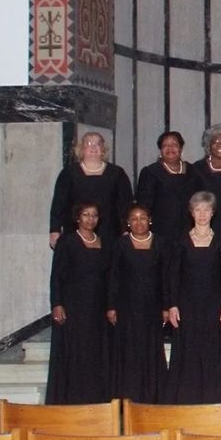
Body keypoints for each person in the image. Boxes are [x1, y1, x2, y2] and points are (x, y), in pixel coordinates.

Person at [165, 191, 221, 404]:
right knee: (187, 351)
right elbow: (172, 275)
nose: (202, 214)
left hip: (213, 305)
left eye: (206, 210)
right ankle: (187, 398)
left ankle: (213, 398)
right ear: (191, 213)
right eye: (198, 210)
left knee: (212, 351)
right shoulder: (180, 241)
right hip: (186, 305)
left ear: (212, 213)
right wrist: (173, 305)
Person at [46, 202, 111, 404]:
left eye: (94, 215)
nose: (90, 219)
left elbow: (109, 277)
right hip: (73, 307)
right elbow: (57, 275)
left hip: (98, 308)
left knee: (95, 354)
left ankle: (96, 400)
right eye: (86, 215)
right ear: (77, 218)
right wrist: (57, 304)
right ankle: (72, 400)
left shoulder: (105, 242)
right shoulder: (67, 242)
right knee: (75, 353)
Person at [107, 204, 169, 403]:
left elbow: (166, 277)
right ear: (128, 222)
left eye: (143, 218)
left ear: (150, 220)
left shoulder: (161, 243)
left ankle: (153, 396)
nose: (139, 222)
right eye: (134, 218)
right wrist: (111, 306)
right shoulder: (120, 244)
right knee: (129, 351)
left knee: (151, 350)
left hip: (153, 306)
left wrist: (167, 306)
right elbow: (113, 277)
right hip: (127, 307)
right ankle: (129, 396)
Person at [49, 131, 133, 246]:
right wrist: (55, 230)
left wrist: (127, 230)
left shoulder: (117, 173)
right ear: (81, 148)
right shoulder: (68, 173)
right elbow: (59, 203)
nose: (93, 147)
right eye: (88, 143)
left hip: (109, 232)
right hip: (75, 232)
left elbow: (125, 204)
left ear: (103, 149)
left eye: (98, 144)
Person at [135, 131, 204, 239]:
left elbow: (201, 201)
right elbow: (144, 206)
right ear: (160, 151)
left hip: (190, 231)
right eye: (165, 145)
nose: (170, 148)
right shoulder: (150, 172)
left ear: (181, 149)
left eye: (174, 145)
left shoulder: (194, 171)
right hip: (160, 232)